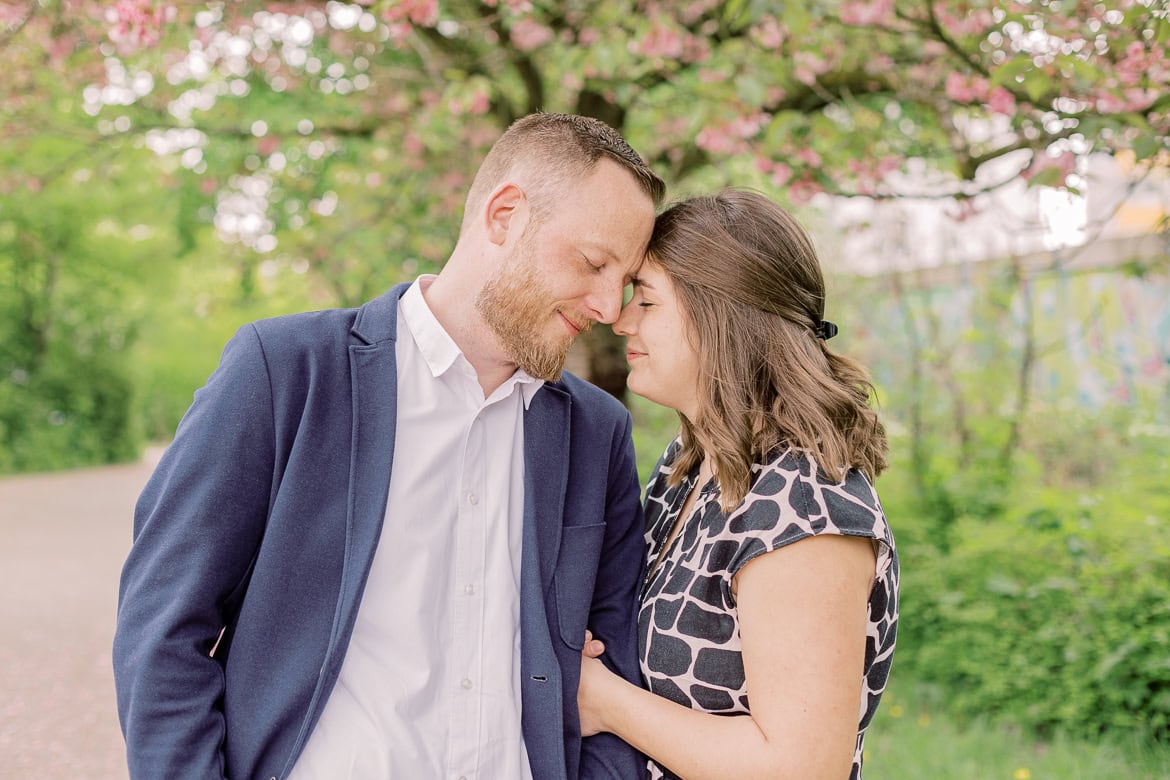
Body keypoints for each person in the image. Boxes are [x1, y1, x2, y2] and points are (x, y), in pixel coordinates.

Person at [113, 112, 665, 780]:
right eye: (594, 263)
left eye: (625, 280)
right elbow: (163, 630)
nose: (609, 306)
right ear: (505, 214)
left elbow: (615, 666)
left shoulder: (596, 431)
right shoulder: (284, 371)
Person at [577, 189, 899, 779]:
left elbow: (799, 768)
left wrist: (604, 701)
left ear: (718, 317)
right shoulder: (690, 465)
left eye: (646, 301)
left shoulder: (802, 504)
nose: (621, 320)